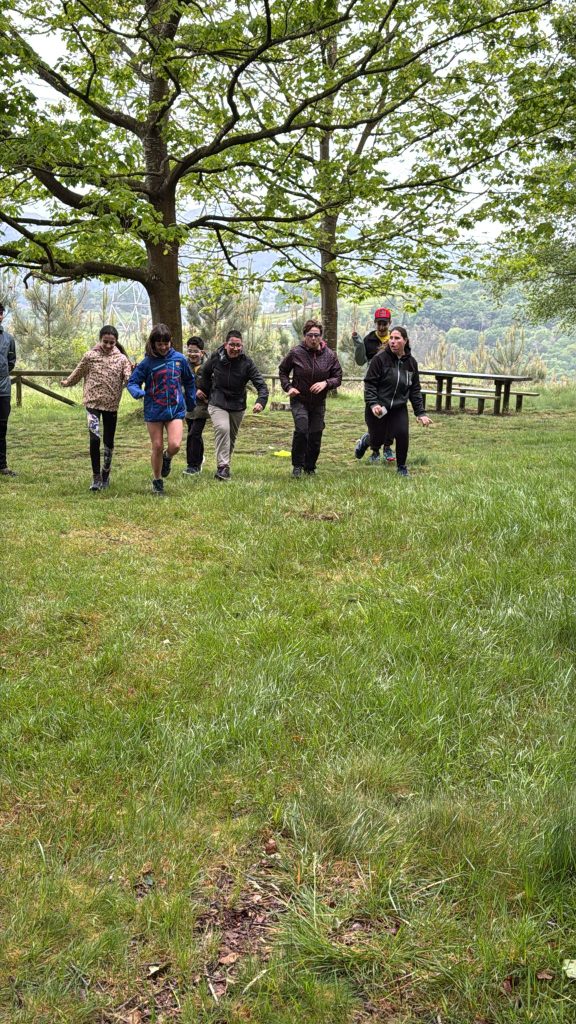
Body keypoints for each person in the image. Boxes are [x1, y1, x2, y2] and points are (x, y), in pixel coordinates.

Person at [127, 323, 196, 496]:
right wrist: (138, 392)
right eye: (159, 344)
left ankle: (167, 457)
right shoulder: (147, 363)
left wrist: (191, 401)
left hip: (175, 409)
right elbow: (132, 382)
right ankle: (157, 481)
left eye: (166, 343)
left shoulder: (179, 359)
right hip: (154, 409)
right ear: (153, 343)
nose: (163, 347)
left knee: (175, 445)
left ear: (170, 341)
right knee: (157, 446)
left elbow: (189, 381)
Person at [61, 325, 133, 491]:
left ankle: (105, 474)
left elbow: (128, 378)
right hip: (92, 403)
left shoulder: (122, 359)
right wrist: (67, 382)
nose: (108, 345)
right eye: (105, 341)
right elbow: (78, 372)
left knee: (108, 441)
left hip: (111, 405)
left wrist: (134, 379)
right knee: (94, 439)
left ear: (116, 342)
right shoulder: (90, 356)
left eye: (111, 342)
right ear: (100, 339)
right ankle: (96, 477)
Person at [196, 330, 268, 480]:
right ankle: (222, 467)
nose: (235, 348)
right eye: (232, 345)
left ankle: (225, 466)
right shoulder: (216, 358)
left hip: (237, 404)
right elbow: (204, 373)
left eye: (238, 345)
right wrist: (202, 389)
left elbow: (261, 384)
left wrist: (260, 402)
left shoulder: (247, 363)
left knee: (231, 436)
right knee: (223, 429)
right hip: (217, 400)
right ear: (225, 345)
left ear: (242, 346)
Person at [363, 325, 432, 477]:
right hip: (380, 406)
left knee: (402, 434)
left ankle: (401, 467)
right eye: (391, 338)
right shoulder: (379, 359)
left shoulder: (411, 363)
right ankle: (366, 440)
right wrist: (373, 403)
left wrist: (420, 413)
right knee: (377, 439)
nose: (393, 341)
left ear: (405, 341)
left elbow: (414, 389)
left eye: (397, 338)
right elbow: (370, 384)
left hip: (398, 408)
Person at [278, 319, 343, 477]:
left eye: (316, 335)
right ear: (304, 336)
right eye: (310, 335)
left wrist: (326, 383)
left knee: (315, 434)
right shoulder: (296, 353)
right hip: (299, 399)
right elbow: (283, 371)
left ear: (321, 336)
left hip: (318, 402)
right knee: (301, 430)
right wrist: (289, 387)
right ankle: (297, 466)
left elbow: (338, 377)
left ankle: (310, 467)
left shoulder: (330, 355)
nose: (313, 338)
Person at [353, 307, 396, 464]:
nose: (382, 327)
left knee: (391, 415)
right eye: (379, 323)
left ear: (390, 323)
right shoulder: (369, 339)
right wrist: (358, 344)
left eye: (385, 323)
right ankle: (373, 448)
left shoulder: (395, 338)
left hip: (390, 384)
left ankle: (387, 447)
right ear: (375, 323)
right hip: (373, 384)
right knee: (374, 417)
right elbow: (360, 361)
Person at [183, 335, 209, 475]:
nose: (192, 354)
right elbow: (180, 384)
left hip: (203, 407)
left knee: (194, 434)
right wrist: (194, 391)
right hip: (188, 406)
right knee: (192, 433)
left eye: (195, 351)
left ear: (202, 352)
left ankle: (193, 465)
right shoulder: (183, 365)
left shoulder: (208, 367)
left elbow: (214, 384)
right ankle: (198, 458)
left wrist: (206, 394)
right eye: (190, 351)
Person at [0, 303, 17, 478]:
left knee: (2, 427)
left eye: (0, 313)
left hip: (3, 390)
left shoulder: (8, 339)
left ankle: (2, 466)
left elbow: (11, 362)